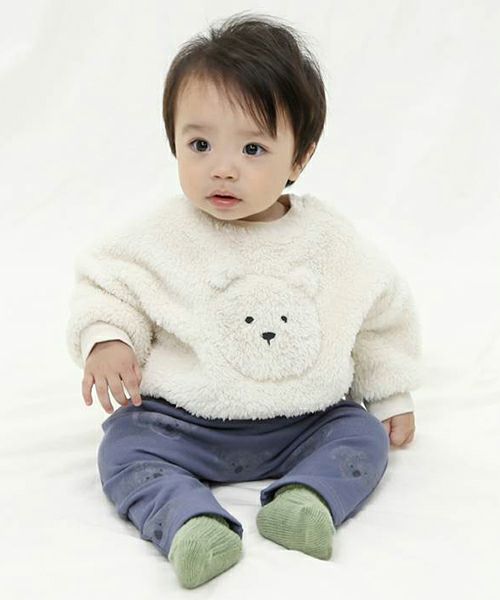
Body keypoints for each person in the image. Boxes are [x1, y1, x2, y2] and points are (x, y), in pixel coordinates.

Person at [66, 12, 422, 590]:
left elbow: (377, 314)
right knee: (122, 446)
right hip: (180, 424)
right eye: (200, 144)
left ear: (300, 157)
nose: (223, 169)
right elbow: (108, 283)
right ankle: (188, 522)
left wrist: (390, 392)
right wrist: (107, 338)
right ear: (174, 142)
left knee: (360, 436)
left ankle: (307, 500)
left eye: (253, 148)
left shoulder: (330, 242)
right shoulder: (161, 235)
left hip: (303, 423)